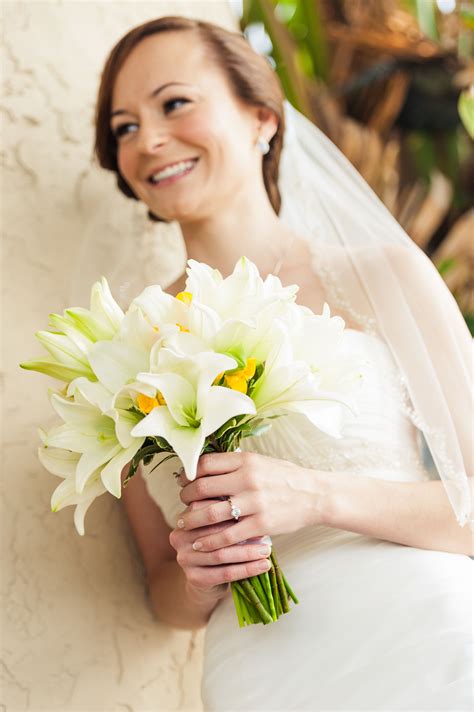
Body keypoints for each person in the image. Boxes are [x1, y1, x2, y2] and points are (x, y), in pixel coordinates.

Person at [93, 16, 473, 711]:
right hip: (260, 674)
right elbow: (165, 596)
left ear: (261, 118)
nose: (146, 140)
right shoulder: (127, 350)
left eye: (174, 103)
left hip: (423, 640)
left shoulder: (382, 277)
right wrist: (202, 578)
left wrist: (319, 497)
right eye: (123, 127)